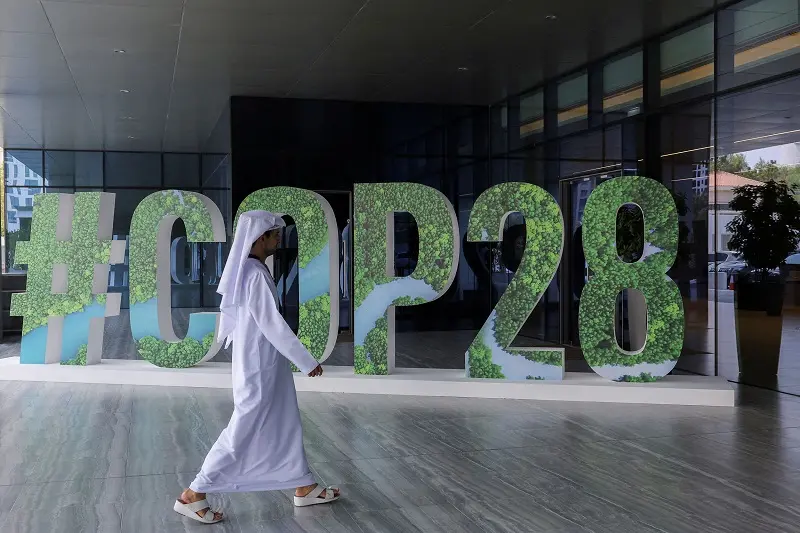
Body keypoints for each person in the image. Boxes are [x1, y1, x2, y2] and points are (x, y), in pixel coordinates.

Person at [173, 210, 340, 524]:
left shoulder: (250, 270)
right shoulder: (253, 273)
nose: (278, 239)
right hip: (259, 366)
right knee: (244, 428)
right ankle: (193, 493)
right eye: (274, 234)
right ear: (260, 237)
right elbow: (272, 324)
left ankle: (303, 485)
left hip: (265, 364)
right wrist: (306, 361)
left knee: (285, 420)